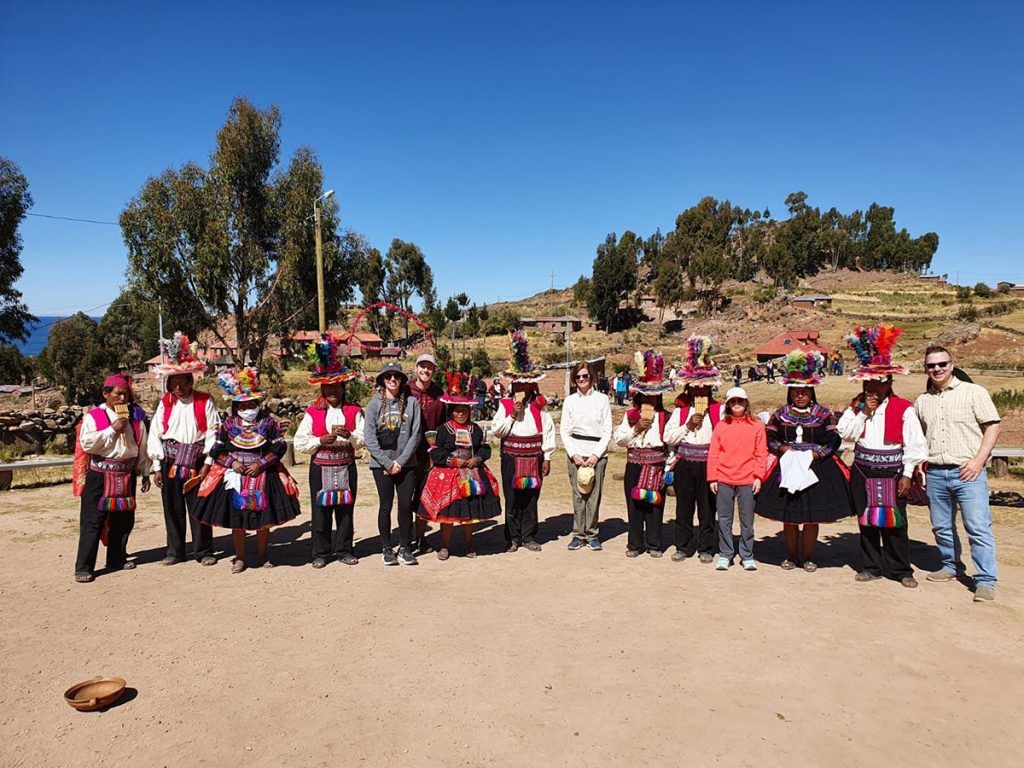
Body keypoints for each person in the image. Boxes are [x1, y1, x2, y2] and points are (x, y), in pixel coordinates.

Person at [838, 325, 926, 588]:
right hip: (863, 470)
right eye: (869, 382)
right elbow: (847, 434)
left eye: (879, 382)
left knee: (896, 523)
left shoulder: (904, 408)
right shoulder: (856, 406)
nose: (874, 386)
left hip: (893, 471)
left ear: (889, 382)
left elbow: (915, 444)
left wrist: (908, 474)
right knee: (866, 521)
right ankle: (870, 566)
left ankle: (901, 569)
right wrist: (864, 412)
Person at [915, 344, 1002, 602]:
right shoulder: (922, 401)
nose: (937, 369)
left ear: (951, 365)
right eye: (932, 365)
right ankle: (950, 566)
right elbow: (920, 437)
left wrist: (978, 460)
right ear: (926, 369)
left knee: (977, 527)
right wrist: (921, 466)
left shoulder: (974, 392)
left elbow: (993, 427)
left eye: (942, 364)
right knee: (941, 526)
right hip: (936, 473)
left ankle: (985, 579)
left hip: (968, 472)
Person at [755, 350, 854, 571]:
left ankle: (808, 556)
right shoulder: (780, 414)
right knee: (789, 516)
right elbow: (769, 437)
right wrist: (782, 449)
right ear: (790, 393)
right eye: (796, 392)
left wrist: (817, 454)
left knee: (811, 517)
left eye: (805, 392)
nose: (800, 395)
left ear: (811, 393)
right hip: (787, 468)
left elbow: (834, 440)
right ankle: (791, 556)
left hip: (816, 469)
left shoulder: (823, 414)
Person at [193, 368, 300, 573]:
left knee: (263, 519)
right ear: (236, 406)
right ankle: (240, 558)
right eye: (243, 404)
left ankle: (263, 555)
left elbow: (279, 447)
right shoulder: (228, 425)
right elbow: (217, 449)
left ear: (257, 404)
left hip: (263, 473)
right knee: (237, 520)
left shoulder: (267, 423)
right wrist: (232, 463)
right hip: (235, 475)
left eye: (252, 404)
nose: (248, 408)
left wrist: (261, 464)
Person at [147, 333, 219, 567]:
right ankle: (175, 551)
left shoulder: (205, 401)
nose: (177, 388)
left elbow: (213, 433)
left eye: (182, 383)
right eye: (173, 384)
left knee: (199, 506)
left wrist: (208, 463)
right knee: (172, 508)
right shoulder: (165, 403)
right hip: (170, 460)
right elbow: (155, 434)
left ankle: (204, 551)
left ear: (191, 381)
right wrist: (157, 466)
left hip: (197, 462)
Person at [293, 334, 364, 568]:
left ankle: (344, 549)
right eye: (328, 387)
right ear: (322, 388)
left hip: (346, 466)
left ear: (343, 388)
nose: (332, 390)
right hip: (320, 468)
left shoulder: (354, 411)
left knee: (345, 510)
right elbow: (299, 442)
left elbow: (364, 439)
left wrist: (350, 436)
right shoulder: (313, 413)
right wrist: (319, 440)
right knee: (320, 512)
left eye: (336, 386)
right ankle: (320, 553)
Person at [73, 373, 152, 582]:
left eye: (126, 394)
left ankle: (116, 558)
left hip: (126, 474)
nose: (123, 399)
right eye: (118, 394)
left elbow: (142, 446)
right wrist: (112, 429)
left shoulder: (137, 416)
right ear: (106, 393)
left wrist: (145, 473)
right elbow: (88, 443)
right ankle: (84, 566)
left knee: (123, 520)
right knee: (93, 520)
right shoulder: (93, 416)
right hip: (99, 474)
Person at [417, 373, 501, 558]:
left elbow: (484, 449)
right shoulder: (443, 430)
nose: (461, 413)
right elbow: (436, 452)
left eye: (464, 410)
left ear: (469, 411)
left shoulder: (475, 430)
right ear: (451, 411)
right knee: (448, 514)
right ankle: (445, 546)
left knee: (469, 513)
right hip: (449, 476)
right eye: (457, 410)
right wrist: (453, 461)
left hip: (472, 475)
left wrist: (477, 459)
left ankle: (469, 545)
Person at [490, 329, 555, 552]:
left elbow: (548, 431)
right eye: (517, 384)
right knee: (513, 498)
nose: (521, 388)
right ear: (513, 386)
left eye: (525, 384)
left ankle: (529, 536)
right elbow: (497, 431)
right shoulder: (505, 405)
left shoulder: (539, 405)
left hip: (534, 457)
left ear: (530, 385)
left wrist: (547, 457)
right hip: (511, 457)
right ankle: (513, 537)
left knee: (531, 498)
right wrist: (512, 414)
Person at [663, 335, 722, 563]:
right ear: (689, 390)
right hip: (685, 464)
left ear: (709, 390)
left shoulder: (719, 410)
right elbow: (668, 437)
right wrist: (688, 425)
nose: (699, 394)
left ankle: (706, 548)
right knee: (684, 508)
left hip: (709, 465)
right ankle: (683, 546)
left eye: (703, 390)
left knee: (707, 510)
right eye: (695, 390)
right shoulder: (680, 410)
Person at [364, 361, 423, 566]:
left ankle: (405, 547)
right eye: (388, 376)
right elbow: (369, 439)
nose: (392, 380)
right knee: (385, 506)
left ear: (401, 380)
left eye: (396, 376)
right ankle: (386, 548)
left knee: (406, 505)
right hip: (381, 466)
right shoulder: (373, 405)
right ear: (382, 380)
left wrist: (399, 461)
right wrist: (388, 463)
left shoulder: (412, 404)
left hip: (406, 464)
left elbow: (416, 435)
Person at [614, 350, 671, 558]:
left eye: (654, 395)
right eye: (646, 395)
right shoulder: (630, 416)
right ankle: (635, 544)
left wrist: (668, 469)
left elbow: (671, 445)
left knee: (655, 506)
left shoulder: (666, 417)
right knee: (635, 506)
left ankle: (654, 544)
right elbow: (619, 440)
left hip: (657, 464)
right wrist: (636, 428)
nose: (650, 399)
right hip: (634, 465)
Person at [707, 387, 767, 571]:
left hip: (748, 479)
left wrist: (758, 476)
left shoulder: (757, 425)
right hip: (724, 477)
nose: (737, 404)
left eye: (740, 401)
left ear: (746, 403)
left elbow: (761, 453)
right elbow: (714, 452)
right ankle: (726, 554)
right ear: (728, 404)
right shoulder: (721, 425)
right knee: (724, 519)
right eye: (733, 401)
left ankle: (747, 555)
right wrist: (713, 478)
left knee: (747, 520)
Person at [560, 360, 613, 551]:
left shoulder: (602, 400)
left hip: (596, 454)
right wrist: (573, 454)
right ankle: (578, 534)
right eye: (578, 376)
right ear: (575, 379)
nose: (582, 379)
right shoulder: (570, 401)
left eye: (585, 376)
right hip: (576, 452)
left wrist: (596, 455)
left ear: (591, 377)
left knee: (594, 496)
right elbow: (564, 430)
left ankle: (592, 534)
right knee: (578, 496)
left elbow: (608, 430)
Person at [407, 353, 444, 555]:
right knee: (405, 497)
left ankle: (421, 539)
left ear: (434, 371)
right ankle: (405, 539)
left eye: (429, 367)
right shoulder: (406, 390)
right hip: (407, 453)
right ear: (416, 368)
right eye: (422, 366)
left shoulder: (439, 393)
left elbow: (445, 422)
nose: (425, 370)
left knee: (423, 497)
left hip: (429, 454)